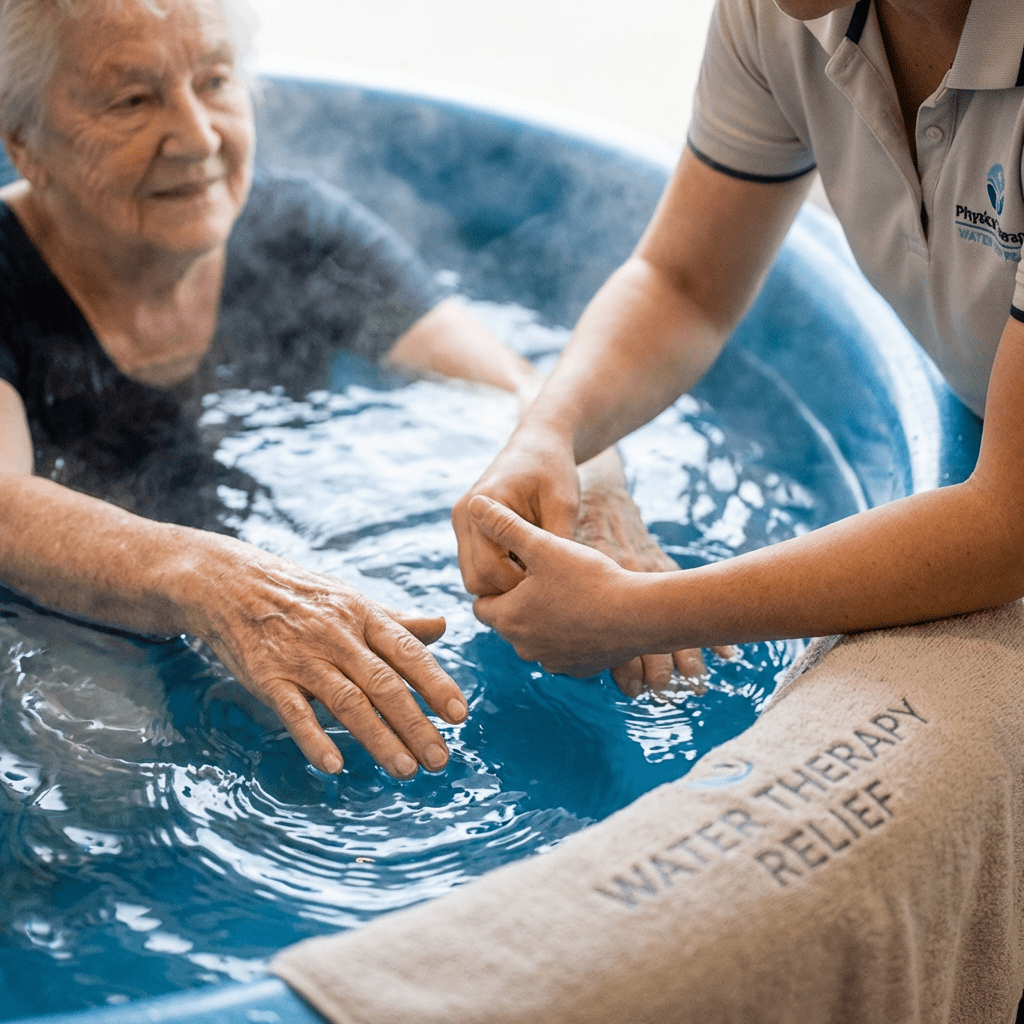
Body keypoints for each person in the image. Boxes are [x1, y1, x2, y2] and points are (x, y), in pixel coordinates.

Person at [0, 0, 698, 784]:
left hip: (278, 530)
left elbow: (522, 396)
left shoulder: (296, 230)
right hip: (65, 612)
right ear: (24, 142)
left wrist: (595, 506)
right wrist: (214, 582)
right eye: (133, 99)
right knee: (102, 759)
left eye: (216, 81)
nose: (198, 137)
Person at [453, 0, 1024, 681]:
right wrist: (550, 435)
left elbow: (1009, 521)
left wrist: (639, 611)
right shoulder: (782, 12)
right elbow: (685, 283)